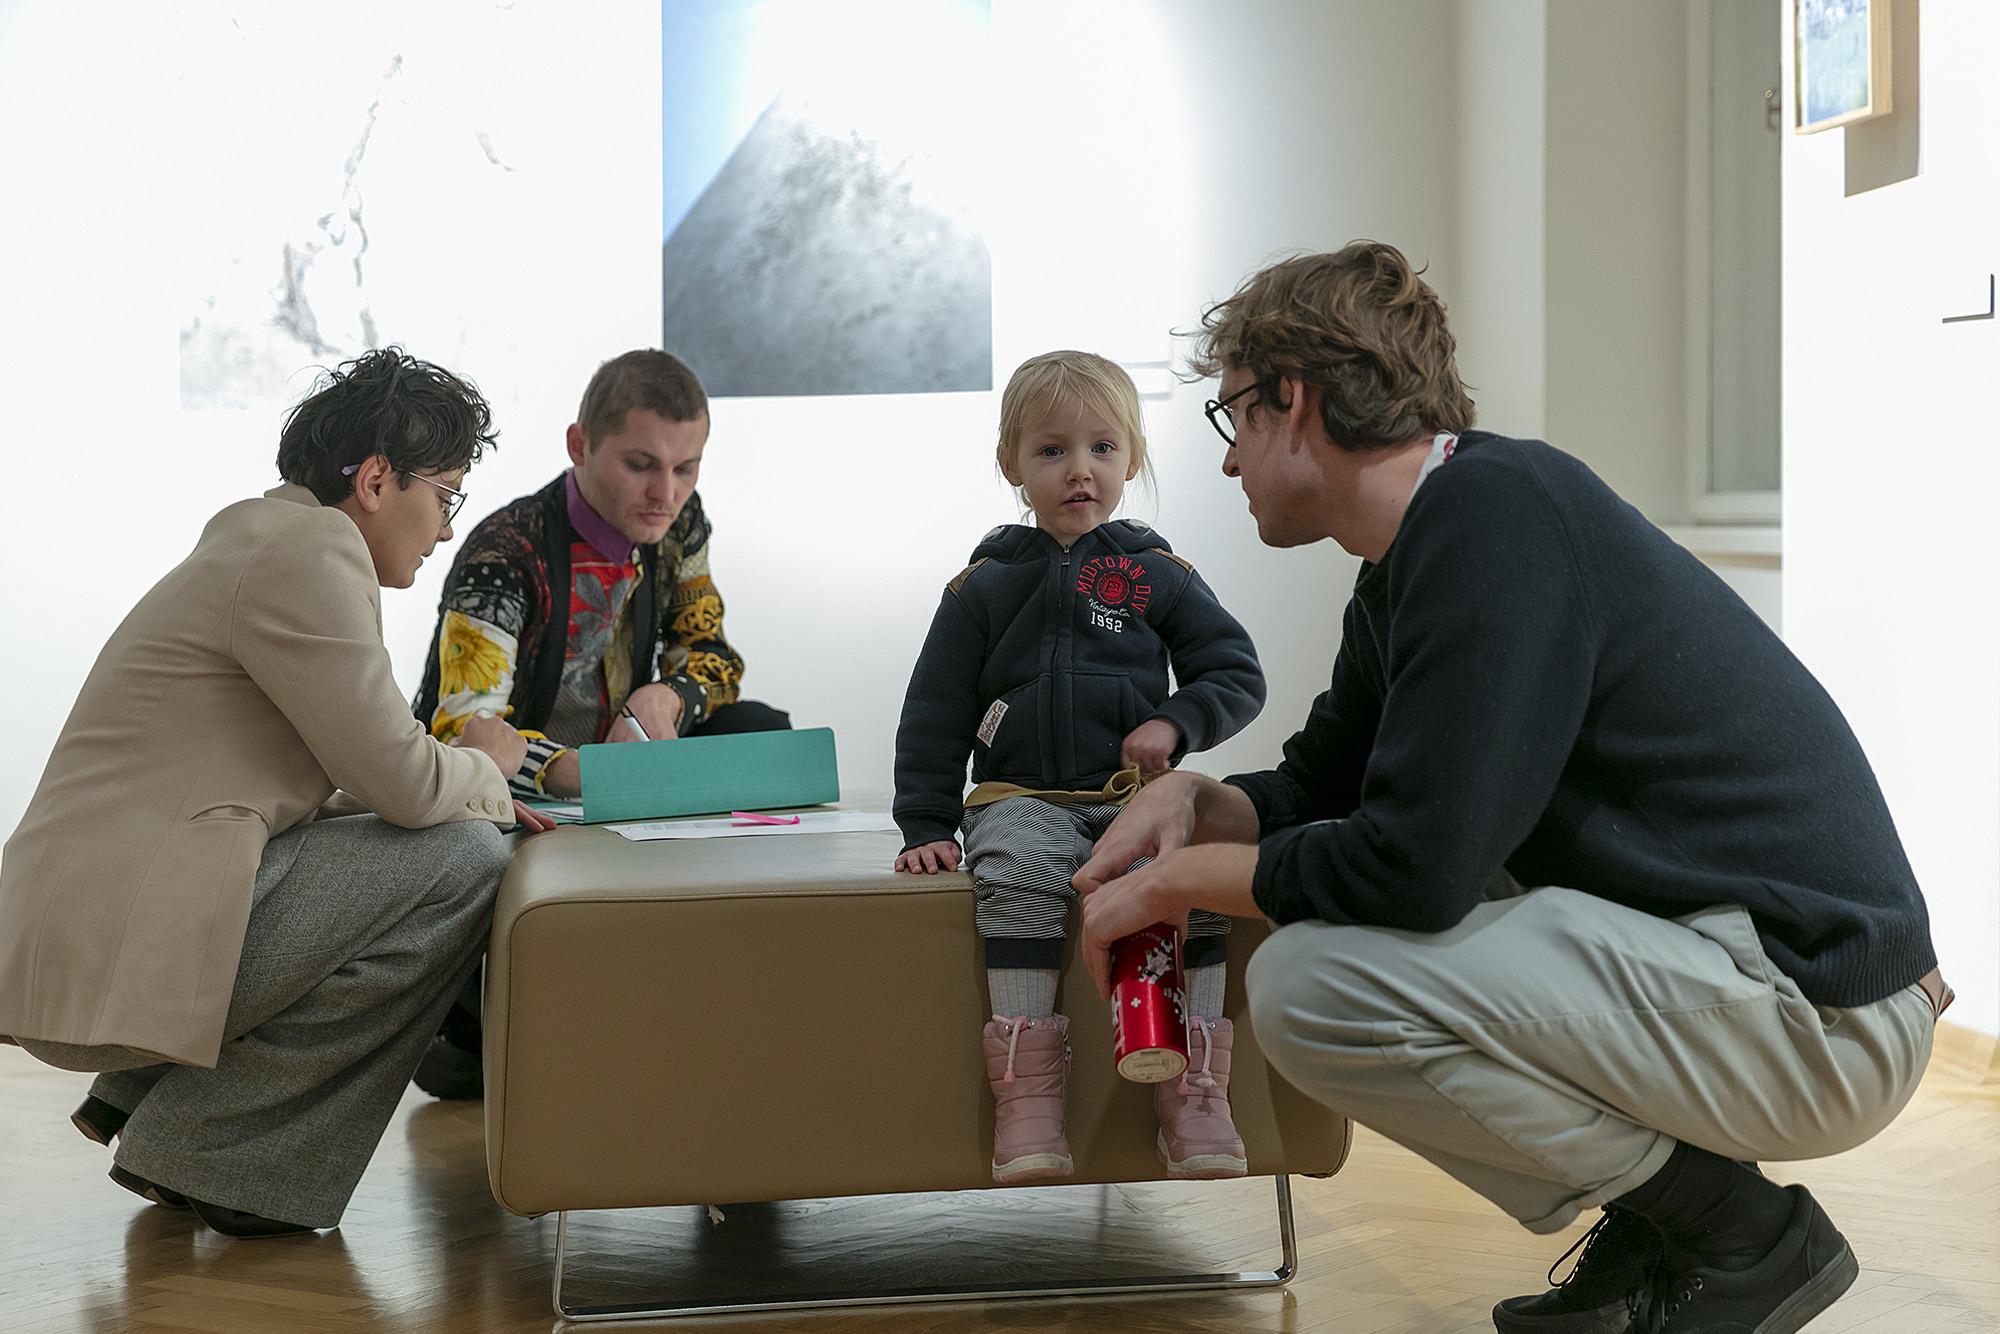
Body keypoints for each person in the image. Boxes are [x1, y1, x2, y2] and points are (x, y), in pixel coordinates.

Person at [1073, 242, 1948, 1333]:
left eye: (1232, 417)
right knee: (1366, 920)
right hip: (1762, 980)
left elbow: (1414, 867)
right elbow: (1321, 784)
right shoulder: (1428, 540)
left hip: (1816, 1009)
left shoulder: (1490, 520)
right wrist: (1201, 801)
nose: (1226, 461)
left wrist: (1180, 883)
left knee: (1314, 981)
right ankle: (1668, 1230)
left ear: (1292, 402)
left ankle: (1741, 1234)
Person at [0, 348, 552, 1238]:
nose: (446, 530)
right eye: (445, 497)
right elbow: (405, 781)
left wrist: (457, 785)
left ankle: (149, 1106)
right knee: (463, 862)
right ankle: (210, 1148)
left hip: (92, 929)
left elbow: (347, 784)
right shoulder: (306, 553)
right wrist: (486, 766)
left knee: (437, 842)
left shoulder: (266, 539)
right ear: (377, 481)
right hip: (121, 941)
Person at [893, 350, 1266, 1186]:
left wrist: (1176, 721)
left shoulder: (1158, 576)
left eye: (1102, 448)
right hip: (1019, 796)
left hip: (1135, 801)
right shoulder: (981, 588)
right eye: (1052, 450)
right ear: (1012, 465)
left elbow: (1235, 674)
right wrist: (924, 822)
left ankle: (1195, 1093)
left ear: (1132, 459)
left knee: (1198, 879)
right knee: (1020, 871)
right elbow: (933, 712)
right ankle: (1027, 1099)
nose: (1079, 470)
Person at [409, 348, 789, 1098]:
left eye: (686, 468)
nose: (666, 493)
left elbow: (713, 655)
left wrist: (669, 696)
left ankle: (732, 983)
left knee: (760, 728)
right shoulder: (503, 552)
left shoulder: (680, 526)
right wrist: (572, 770)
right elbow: (462, 728)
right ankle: (470, 1018)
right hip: (521, 785)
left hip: (623, 766)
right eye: (641, 465)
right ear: (579, 445)